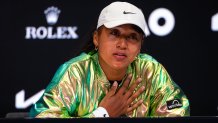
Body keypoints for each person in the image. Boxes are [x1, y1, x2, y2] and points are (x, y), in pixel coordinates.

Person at [29, 1, 190, 118]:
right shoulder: (75, 72)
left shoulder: (150, 71)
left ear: (140, 45)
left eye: (132, 37)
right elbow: (44, 116)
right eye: (114, 33)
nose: (122, 44)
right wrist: (103, 113)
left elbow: (177, 109)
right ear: (96, 38)